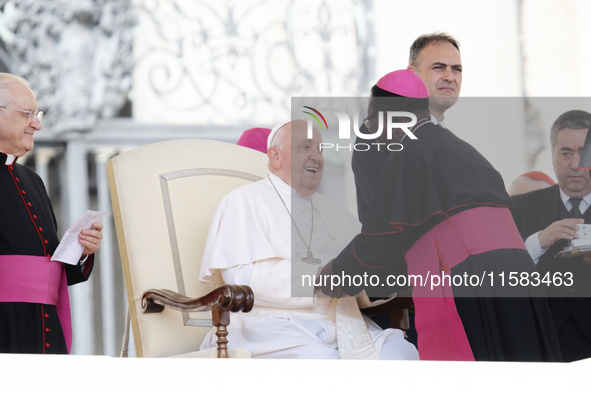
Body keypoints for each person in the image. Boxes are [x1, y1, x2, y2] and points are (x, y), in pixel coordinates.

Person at [317, 69, 561, 362]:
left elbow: (378, 241)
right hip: (515, 271)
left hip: (468, 274)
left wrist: (333, 275)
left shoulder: (406, 154)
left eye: (371, 122)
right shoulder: (464, 148)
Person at [198, 119, 418, 360]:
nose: (317, 157)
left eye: (320, 150)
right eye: (305, 147)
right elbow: (241, 279)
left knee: (401, 353)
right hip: (273, 324)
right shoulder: (244, 200)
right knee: (318, 360)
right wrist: (317, 278)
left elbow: (357, 276)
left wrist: (378, 284)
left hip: (344, 322)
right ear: (276, 157)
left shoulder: (334, 210)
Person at [0, 73, 103, 354]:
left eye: (38, 114)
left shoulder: (33, 180)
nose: (37, 123)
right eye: (27, 114)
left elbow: (48, 265)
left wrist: (80, 249)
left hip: (44, 320)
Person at [353, 32, 462, 221]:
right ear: (412, 74)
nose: (449, 77)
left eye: (456, 69)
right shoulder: (379, 132)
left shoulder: (455, 145)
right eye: (439, 67)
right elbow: (390, 213)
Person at [512, 110, 591, 361]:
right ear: (553, 153)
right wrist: (537, 243)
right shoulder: (518, 209)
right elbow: (499, 277)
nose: (576, 164)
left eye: (584, 152)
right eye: (566, 153)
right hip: (538, 344)